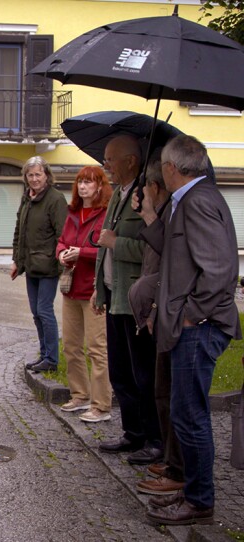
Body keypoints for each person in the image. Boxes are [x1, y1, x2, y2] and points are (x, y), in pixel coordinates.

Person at [141, 136, 240, 526]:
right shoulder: (193, 199)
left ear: (170, 169)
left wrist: (189, 316)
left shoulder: (198, 201)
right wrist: (151, 215)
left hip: (199, 327)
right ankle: (192, 492)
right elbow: (180, 254)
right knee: (186, 413)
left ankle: (200, 501)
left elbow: (218, 271)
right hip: (194, 323)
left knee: (190, 415)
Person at [92, 135, 162, 467]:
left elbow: (154, 250)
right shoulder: (119, 195)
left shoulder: (147, 196)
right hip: (115, 296)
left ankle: (153, 439)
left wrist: (117, 242)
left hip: (136, 301)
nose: (105, 166)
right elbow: (105, 245)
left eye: (110, 159)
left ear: (131, 161)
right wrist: (99, 288)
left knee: (142, 374)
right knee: (120, 373)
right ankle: (132, 432)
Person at [127, 149, 186, 498]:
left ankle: (177, 469)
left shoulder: (179, 210)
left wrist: (149, 217)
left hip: (175, 315)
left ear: (155, 184)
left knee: (174, 398)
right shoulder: (165, 210)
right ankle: (169, 459)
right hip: (160, 311)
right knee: (163, 392)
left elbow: (170, 261)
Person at [55, 166, 112, 422]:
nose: (83, 187)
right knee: (71, 346)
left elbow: (108, 251)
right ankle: (80, 395)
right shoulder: (73, 212)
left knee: (97, 349)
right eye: (80, 182)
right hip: (71, 288)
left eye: (88, 182)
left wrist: (82, 253)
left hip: (94, 290)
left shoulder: (105, 214)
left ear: (100, 186)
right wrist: (62, 254)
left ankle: (101, 405)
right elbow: (62, 241)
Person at [11, 156, 67, 374]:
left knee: (44, 311)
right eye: (30, 175)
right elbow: (20, 231)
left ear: (47, 176)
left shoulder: (55, 199)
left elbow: (62, 234)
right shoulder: (27, 198)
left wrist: (59, 260)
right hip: (31, 265)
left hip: (48, 266)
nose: (34, 179)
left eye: (38, 174)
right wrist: (17, 260)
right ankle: (44, 355)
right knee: (35, 312)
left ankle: (52, 359)